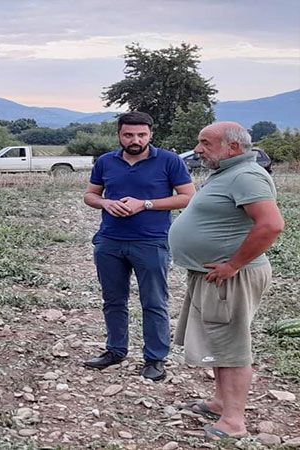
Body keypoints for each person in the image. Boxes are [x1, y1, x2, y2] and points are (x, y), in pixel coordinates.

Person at [169, 122, 283, 440]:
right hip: (214, 276)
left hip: (231, 277)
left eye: (205, 143)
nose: (199, 149)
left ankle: (233, 422)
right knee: (219, 341)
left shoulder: (247, 175)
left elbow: (271, 225)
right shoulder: (227, 173)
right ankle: (221, 403)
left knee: (232, 346)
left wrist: (233, 265)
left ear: (232, 147)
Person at [83, 111, 196, 381]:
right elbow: (90, 195)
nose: (135, 140)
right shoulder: (106, 162)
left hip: (152, 241)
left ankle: (155, 358)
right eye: (129, 134)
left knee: (154, 301)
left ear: (150, 134)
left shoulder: (169, 161)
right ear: (119, 135)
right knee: (113, 300)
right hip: (110, 240)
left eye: (141, 134)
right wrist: (105, 203)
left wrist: (144, 204)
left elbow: (188, 197)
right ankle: (115, 350)